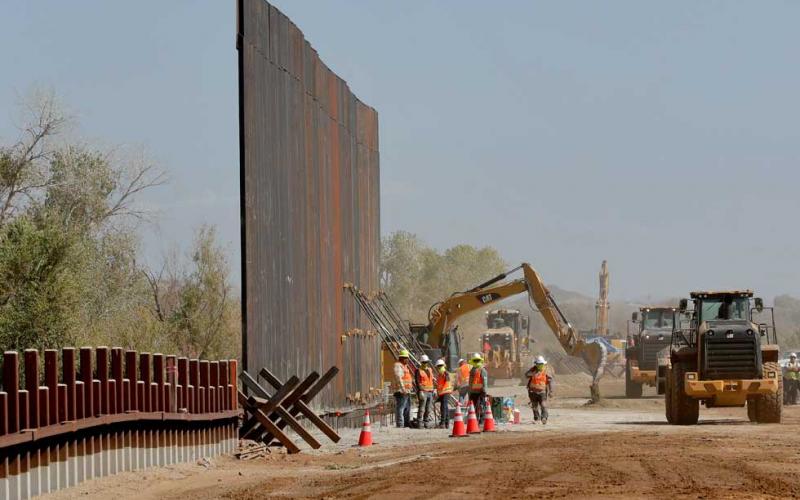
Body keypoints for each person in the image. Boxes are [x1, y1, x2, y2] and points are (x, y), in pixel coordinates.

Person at [525, 355, 554, 424]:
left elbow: (550, 381)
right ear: (536, 364)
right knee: (534, 406)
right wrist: (533, 373)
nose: (539, 365)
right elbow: (526, 374)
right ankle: (537, 418)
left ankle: (544, 417)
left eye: (541, 364)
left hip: (542, 392)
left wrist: (551, 391)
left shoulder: (546, 370)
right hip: (532, 392)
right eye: (538, 364)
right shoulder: (533, 369)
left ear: (543, 364)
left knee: (543, 405)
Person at [392, 349, 413, 428]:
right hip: (401, 391)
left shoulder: (404, 366)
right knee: (400, 408)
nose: (408, 360)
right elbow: (399, 378)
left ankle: (406, 423)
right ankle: (400, 424)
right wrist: (403, 388)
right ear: (402, 358)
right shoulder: (398, 365)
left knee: (407, 408)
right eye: (406, 358)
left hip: (407, 391)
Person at [415, 355, 435, 429]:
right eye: (424, 362)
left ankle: (426, 422)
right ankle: (419, 422)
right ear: (421, 362)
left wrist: (434, 389)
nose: (425, 364)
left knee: (428, 408)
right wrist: (420, 391)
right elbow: (417, 382)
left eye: (426, 362)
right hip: (423, 392)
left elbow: (432, 380)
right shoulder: (418, 371)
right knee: (422, 408)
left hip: (430, 391)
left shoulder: (430, 370)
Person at [468, 353, 489, 424]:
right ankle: (476, 420)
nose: (476, 362)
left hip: (480, 391)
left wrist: (484, 391)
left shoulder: (482, 370)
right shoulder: (472, 370)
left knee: (481, 406)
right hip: (474, 392)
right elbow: (470, 382)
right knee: (474, 407)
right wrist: (470, 392)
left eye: (477, 360)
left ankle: (482, 420)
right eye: (475, 360)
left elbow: (484, 381)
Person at [435, 359, 453, 428]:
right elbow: (439, 385)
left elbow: (447, 379)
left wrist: (444, 373)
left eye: (440, 366)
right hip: (442, 393)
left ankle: (443, 422)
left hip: (446, 392)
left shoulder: (445, 373)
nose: (439, 368)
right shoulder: (439, 375)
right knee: (444, 407)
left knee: (444, 407)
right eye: (438, 366)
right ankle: (446, 423)